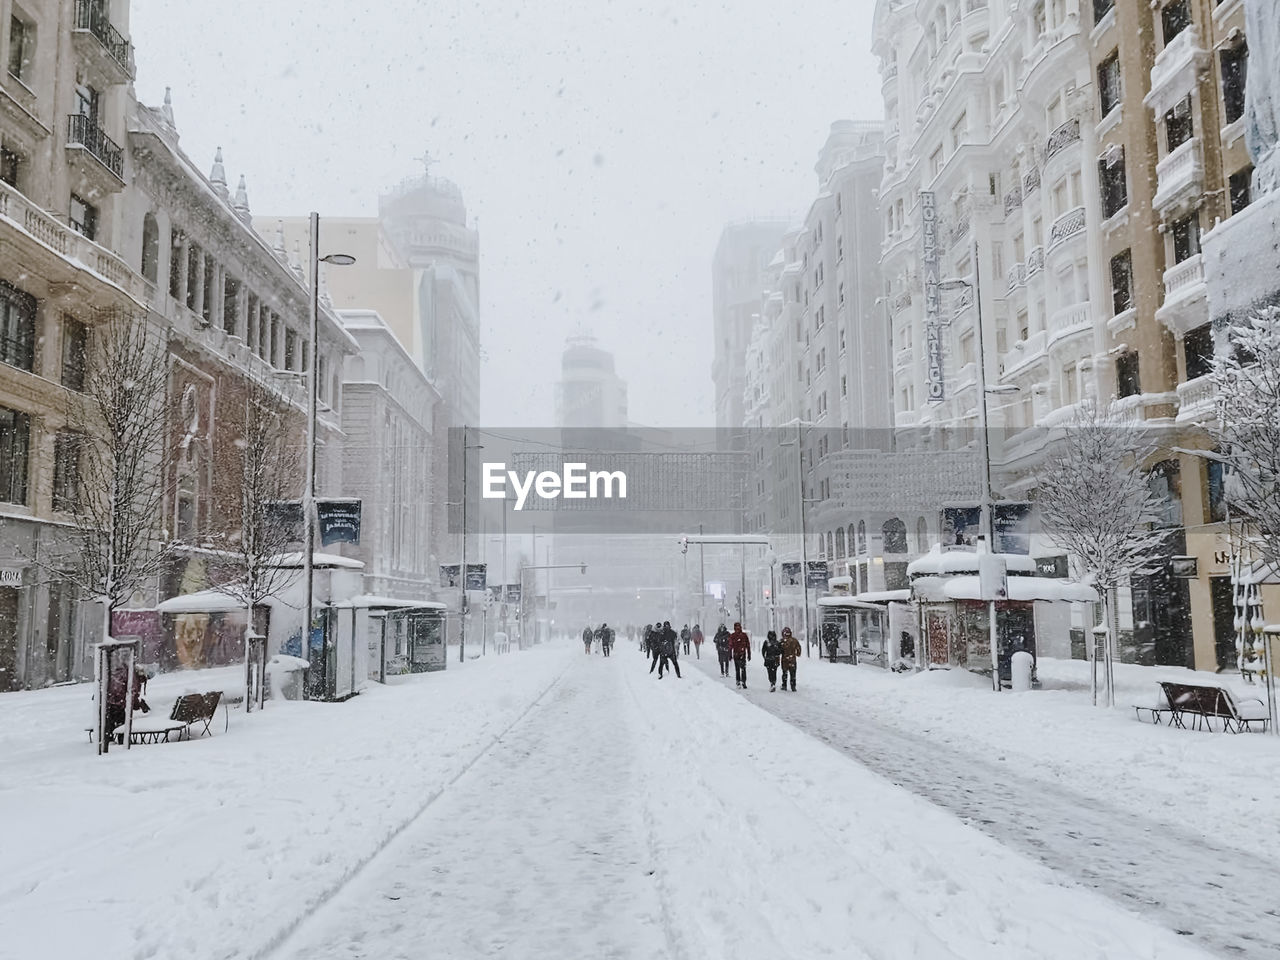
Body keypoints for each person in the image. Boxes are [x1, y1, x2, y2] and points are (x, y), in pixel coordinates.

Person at [728, 622, 751, 689]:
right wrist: (749, 654)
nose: (737, 629)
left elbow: (730, 646)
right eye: (737, 627)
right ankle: (742, 682)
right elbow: (748, 646)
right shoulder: (742, 635)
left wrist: (730, 655)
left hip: (739, 654)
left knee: (739, 669)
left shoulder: (735, 635)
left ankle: (739, 682)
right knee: (742, 669)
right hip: (739, 654)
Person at [780, 626, 802, 692]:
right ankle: (793, 686)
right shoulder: (794, 640)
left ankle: (784, 685)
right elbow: (799, 648)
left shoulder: (782, 641)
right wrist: (798, 654)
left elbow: (778, 650)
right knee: (793, 674)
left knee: (784, 673)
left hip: (784, 660)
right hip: (792, 660)